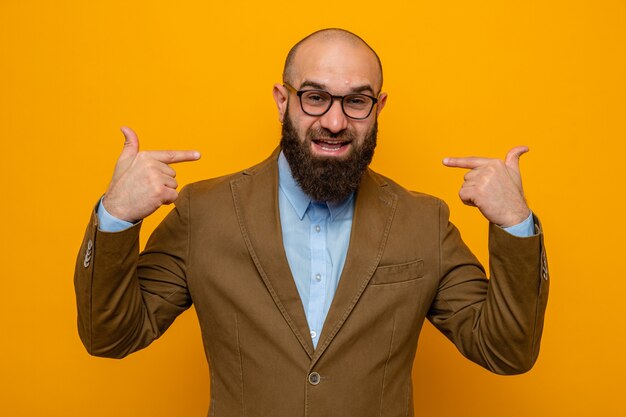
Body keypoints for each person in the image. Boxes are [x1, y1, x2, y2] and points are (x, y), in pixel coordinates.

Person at [74, 28, 549, 417]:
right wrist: (115, 215)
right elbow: (111, 335)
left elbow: (505, 351)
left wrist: (514, 224)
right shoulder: (204, 212)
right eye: (315, 97)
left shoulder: (423, 220)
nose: (336, 121)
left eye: (356, 102)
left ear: (378, 108)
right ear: (283, 100)